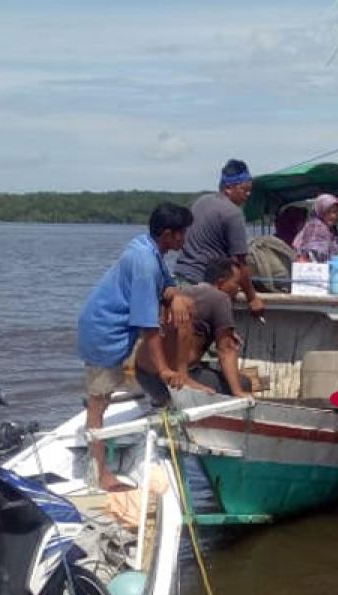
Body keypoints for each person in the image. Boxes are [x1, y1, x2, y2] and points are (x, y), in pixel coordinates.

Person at [78, 202, 196, 491]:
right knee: (99, 402)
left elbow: (166, 286)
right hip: (104, 331)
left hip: (124, 329)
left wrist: (175, 297)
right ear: (168, 234)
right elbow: (149, 328)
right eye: (182, 234)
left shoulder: (151, 250)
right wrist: (165, 368)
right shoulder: (144, 262)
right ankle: (101, 473)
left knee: (183, 309)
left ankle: (161, 394)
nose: (185, 239)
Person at [135, 257, 253, 406]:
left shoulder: (184, 292)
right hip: (173, 380)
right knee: (244, 382)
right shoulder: (220, 298)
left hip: (143, 373)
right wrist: (238, 392)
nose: (238, 289)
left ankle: (162, 400)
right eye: (236, 283)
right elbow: (226, 349)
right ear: (222, 282)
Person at [174, 159, 265, 316]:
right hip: (203, 283)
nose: (248, 195)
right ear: (229, 188)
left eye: (250, 190)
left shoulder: (201, 201)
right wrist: (252, 298)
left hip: (181, 278)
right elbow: (240, 263)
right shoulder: (233, 213)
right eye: (245, 190)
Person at [291, 193, 338, 262]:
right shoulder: (316, 227)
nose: (333, 216)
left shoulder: (330, 229)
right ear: (321, 211)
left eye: (335, 212)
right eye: (328, 212)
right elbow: (314, 255)